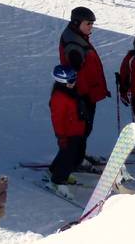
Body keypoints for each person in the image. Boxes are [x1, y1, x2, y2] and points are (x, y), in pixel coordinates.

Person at [59, 6, 109, 164]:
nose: (91, 27)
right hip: (80, 94)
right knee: (79, 130)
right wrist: (81, 95)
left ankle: (79, 156)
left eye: (92, 23)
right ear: (76, 23)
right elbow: (75, 68)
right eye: (88, 23)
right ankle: (72, 162)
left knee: (84, 129)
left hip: (86, 92)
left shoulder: (77, 36)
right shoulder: (73, 44)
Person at [48, 65, 86, 198]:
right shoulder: (59, 97)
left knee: (71, 154)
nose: (74, 82)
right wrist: (61, 136)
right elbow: (57, 120)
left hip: (77, 130)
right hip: (68, 133)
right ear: (62, 82)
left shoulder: (70, 91)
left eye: (75, 79)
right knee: (69, 156)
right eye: (71, 81)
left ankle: (54, 170)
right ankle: (57, 181)